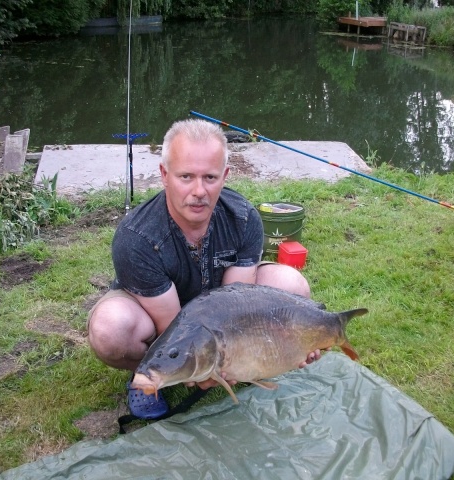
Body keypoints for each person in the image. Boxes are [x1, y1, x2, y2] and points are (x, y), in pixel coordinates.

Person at [88, 118, 319, 419]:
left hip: (222, 303)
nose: (199, 191)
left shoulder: (244, 217)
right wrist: (200, 371)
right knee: (111, 329)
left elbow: (238, 304)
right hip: (160, 310)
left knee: (292, 286)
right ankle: (149, 376)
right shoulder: (136, 238)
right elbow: (172, 326)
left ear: (224, 176)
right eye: (186, 177)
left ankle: (258, 361)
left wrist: (233, 361)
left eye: (210, 178)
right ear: (164, 174)